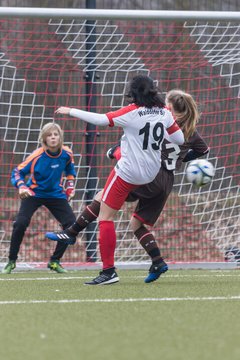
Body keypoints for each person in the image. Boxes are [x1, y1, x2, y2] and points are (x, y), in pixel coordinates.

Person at [46, 89, 209, 283]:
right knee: (136, 224)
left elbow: (141, 145)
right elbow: (203, 149)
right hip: (166, 181)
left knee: (103, 198)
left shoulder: (163, 121)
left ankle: (72, 233)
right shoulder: (190, 129)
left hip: (151, 174)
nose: (164, 106)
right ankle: (157, 261)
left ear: (172, 108)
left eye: (167, 104)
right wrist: (180, 160)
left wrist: (115, 152)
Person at [2, 122, 76, 274]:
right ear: (44, 139)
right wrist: (22, 186)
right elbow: (17, 172)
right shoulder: (37, 155)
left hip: (55, 194)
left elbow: (70, 171)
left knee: (71, 224)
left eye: (56, 134)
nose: (53, 137)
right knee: (20, 223)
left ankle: (55, 261)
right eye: (49, 135)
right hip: (34, 193)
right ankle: (11, 261)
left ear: (60, 137)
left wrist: (70, 186)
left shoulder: (67, 154)